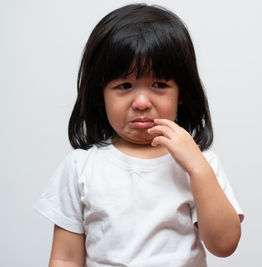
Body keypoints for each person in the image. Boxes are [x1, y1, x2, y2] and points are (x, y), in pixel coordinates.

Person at [34, 3, 244, 267]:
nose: (142, 102)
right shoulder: (80, 168)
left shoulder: (201, 165)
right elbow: (65, 258)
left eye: (159, 84)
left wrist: (197, 169)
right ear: (100, 94)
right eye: (124, 85)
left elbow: (224, 245)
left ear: (181, 93)